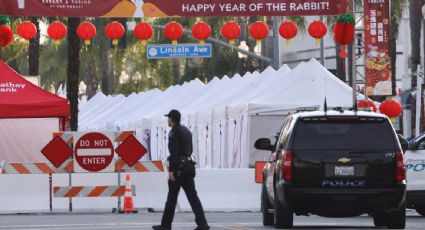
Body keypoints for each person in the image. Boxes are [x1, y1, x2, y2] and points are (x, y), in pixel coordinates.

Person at [153, 110, 209, 230]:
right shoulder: (187, 131)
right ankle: (203, 223)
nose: (167, 120)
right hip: (189, 166)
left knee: (171, 198)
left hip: (179, 168)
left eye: (168, 118)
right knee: (193, 197)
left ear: (172, 119)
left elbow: (175, 152)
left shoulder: (174, 132)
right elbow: (189, 150)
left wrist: (172, 170)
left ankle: (166, 225)